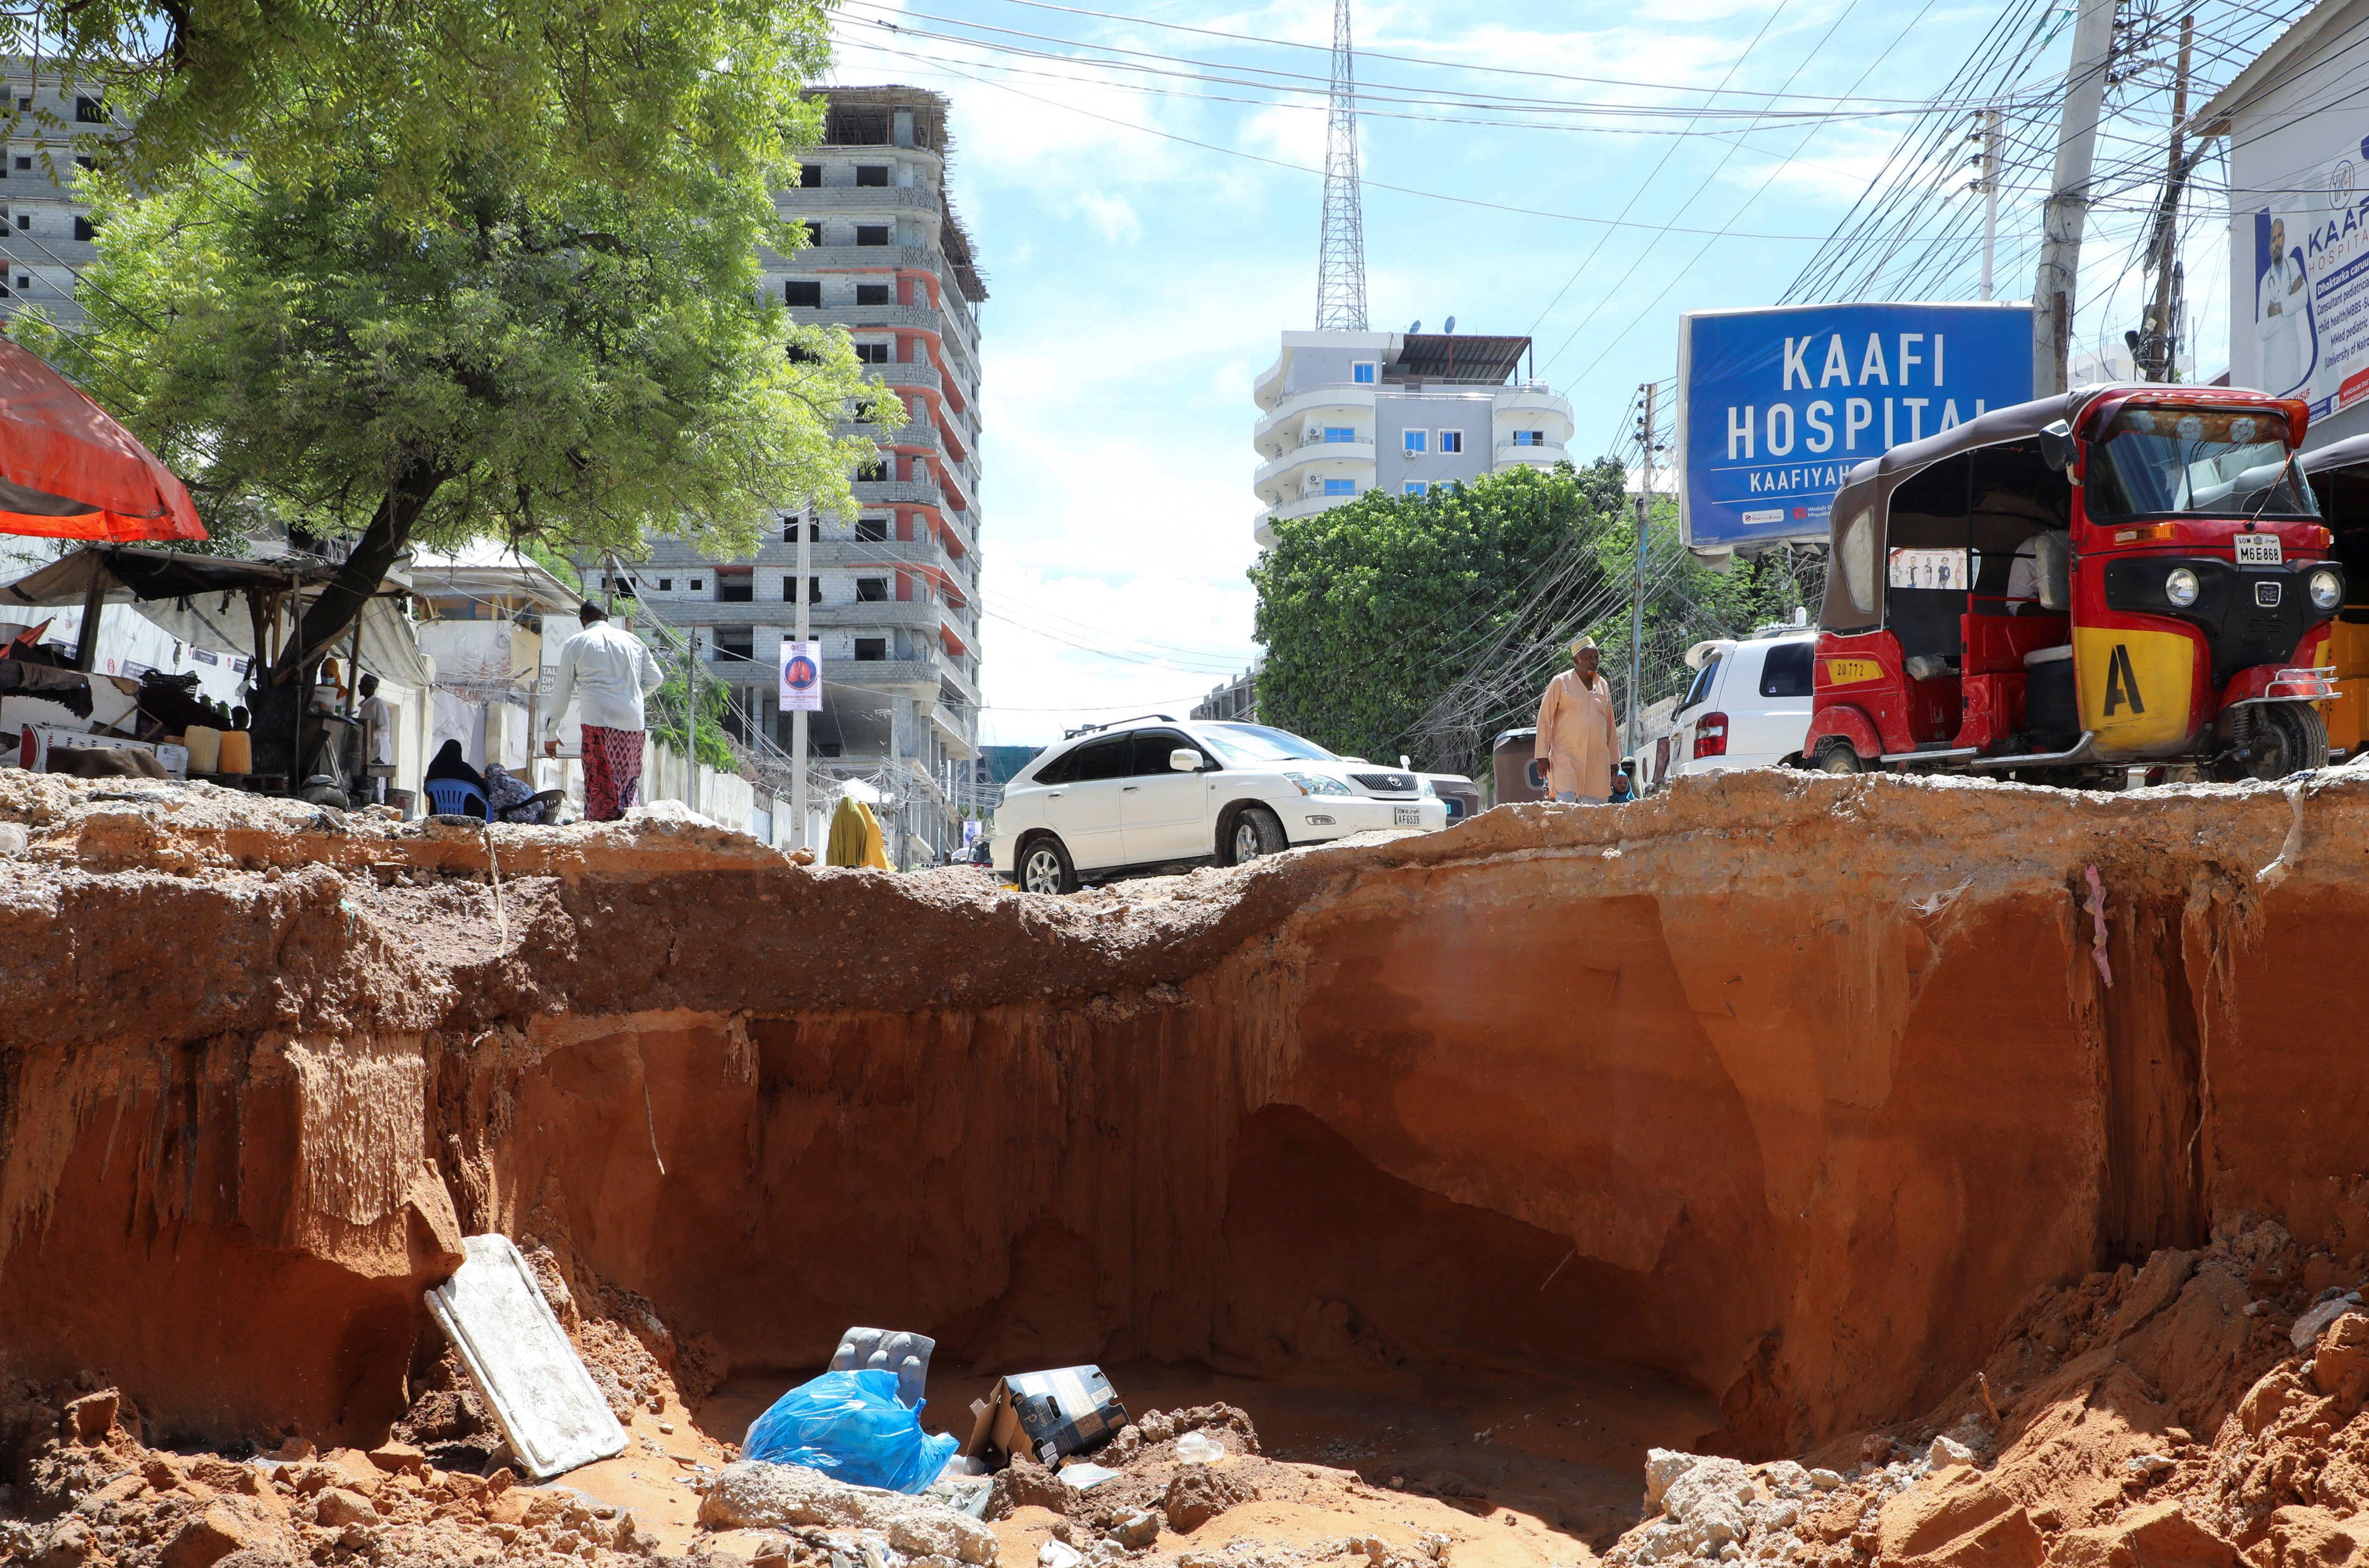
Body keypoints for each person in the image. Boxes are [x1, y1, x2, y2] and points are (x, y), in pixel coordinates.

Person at [543, 599, 665, 822]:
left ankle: (600, 832)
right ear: (607, 618)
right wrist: (632, 696)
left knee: (599, 782)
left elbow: (562, 691)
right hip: (632, 722)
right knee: (627, 782)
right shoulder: (633, 641)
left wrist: (552, 733)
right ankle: (629, 826)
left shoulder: (576, 643)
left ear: (582, 621)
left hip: (597, 719)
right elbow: (656, 679)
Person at [1534, 635, 1620, 804]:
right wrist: (1542, 756)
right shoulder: (1560, 683)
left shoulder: (1603, 685)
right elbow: (1544, 719)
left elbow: (1610, 725)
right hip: (1567, 758)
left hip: (1597, 761)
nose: (1594, 662)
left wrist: (1614, 760)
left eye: (1596, 658)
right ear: (1576, 660)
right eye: (1589, 658)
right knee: (1567, 808)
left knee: (1595, 813)